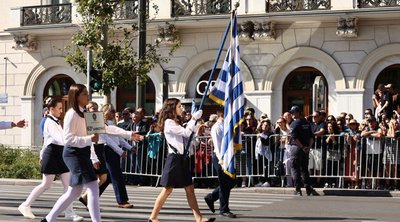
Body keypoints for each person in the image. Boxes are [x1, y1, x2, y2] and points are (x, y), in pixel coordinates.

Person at [40, 84, 101, 222]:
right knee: (92, 185)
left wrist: (128, 134)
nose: (88, 96)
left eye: (87, 93)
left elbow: (104, 129)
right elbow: (68, 139)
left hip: (82, 153)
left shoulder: (86, 113)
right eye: (84, 94)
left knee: (74, 192)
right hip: (73, 153)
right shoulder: (71, 114)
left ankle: (48, 219)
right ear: (76, 96)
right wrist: (89, 138)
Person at [148, 98, 214, 222]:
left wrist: (196, 124)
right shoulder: (168, 122)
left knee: (190, 189)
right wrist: (193, 119)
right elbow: (185, 133)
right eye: (179, 106)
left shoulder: (175, 121)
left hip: (182, 159)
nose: (182, 109)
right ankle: (153, 217)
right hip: (174, 159)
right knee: (167, 189)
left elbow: (189, 134)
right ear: (172, 108)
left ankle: (199, 218)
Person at [18, 97, 83, 221]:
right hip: (52, 154)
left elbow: (52, 140)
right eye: (59, 108)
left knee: (68, 185)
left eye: (61, 108)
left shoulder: (56, 121)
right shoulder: (49, 122)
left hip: (59, 153)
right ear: (51, 109)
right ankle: (25, 205)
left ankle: (69, 212)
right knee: (46, 184)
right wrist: (77, 141)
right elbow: (60, 139)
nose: (61, 111)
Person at [204, 109, 237, 218]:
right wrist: (221, 161)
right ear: (222, 114)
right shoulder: (217, 127)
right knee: (224, 184)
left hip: (228, 157)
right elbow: (218, 146)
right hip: (220, 158)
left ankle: (211, 197)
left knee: (232, 181)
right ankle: (224, 209)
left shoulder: (227, 125)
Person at [287, 106, 318, 196]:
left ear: (298, 113)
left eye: (293, 112)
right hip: (305, 149)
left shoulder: (295, 123)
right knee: (304, 169)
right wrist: (308, 147)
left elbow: (294, 137)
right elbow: (311, 137)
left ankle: (297, 189)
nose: (292, 114)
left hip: (297, 148)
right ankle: (308, 188)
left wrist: (302, 147)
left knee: (295, 168)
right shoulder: (307, 123)